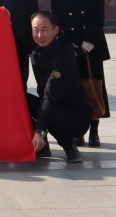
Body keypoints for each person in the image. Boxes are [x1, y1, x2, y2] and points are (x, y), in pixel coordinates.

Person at [50, 0, 110, 146]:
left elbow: (98, 17)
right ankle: (78, 131)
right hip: (70, 48)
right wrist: (70, 43)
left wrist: (88, 42)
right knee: (75, 91)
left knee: (94, 87)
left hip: (92, 47)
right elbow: (57, 19)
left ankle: (94, 131)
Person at [27, 10, 90, 163]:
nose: (40, 35)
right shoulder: (37, 51)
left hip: (75, 115)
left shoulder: (63, 55)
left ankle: (69, 147)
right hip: (52, 103)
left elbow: (51, 95)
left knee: (49, 108)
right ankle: (41, 146)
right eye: (35, 30)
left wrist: (39, 130)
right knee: (20, 99)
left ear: (55, 30)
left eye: (44, 30)